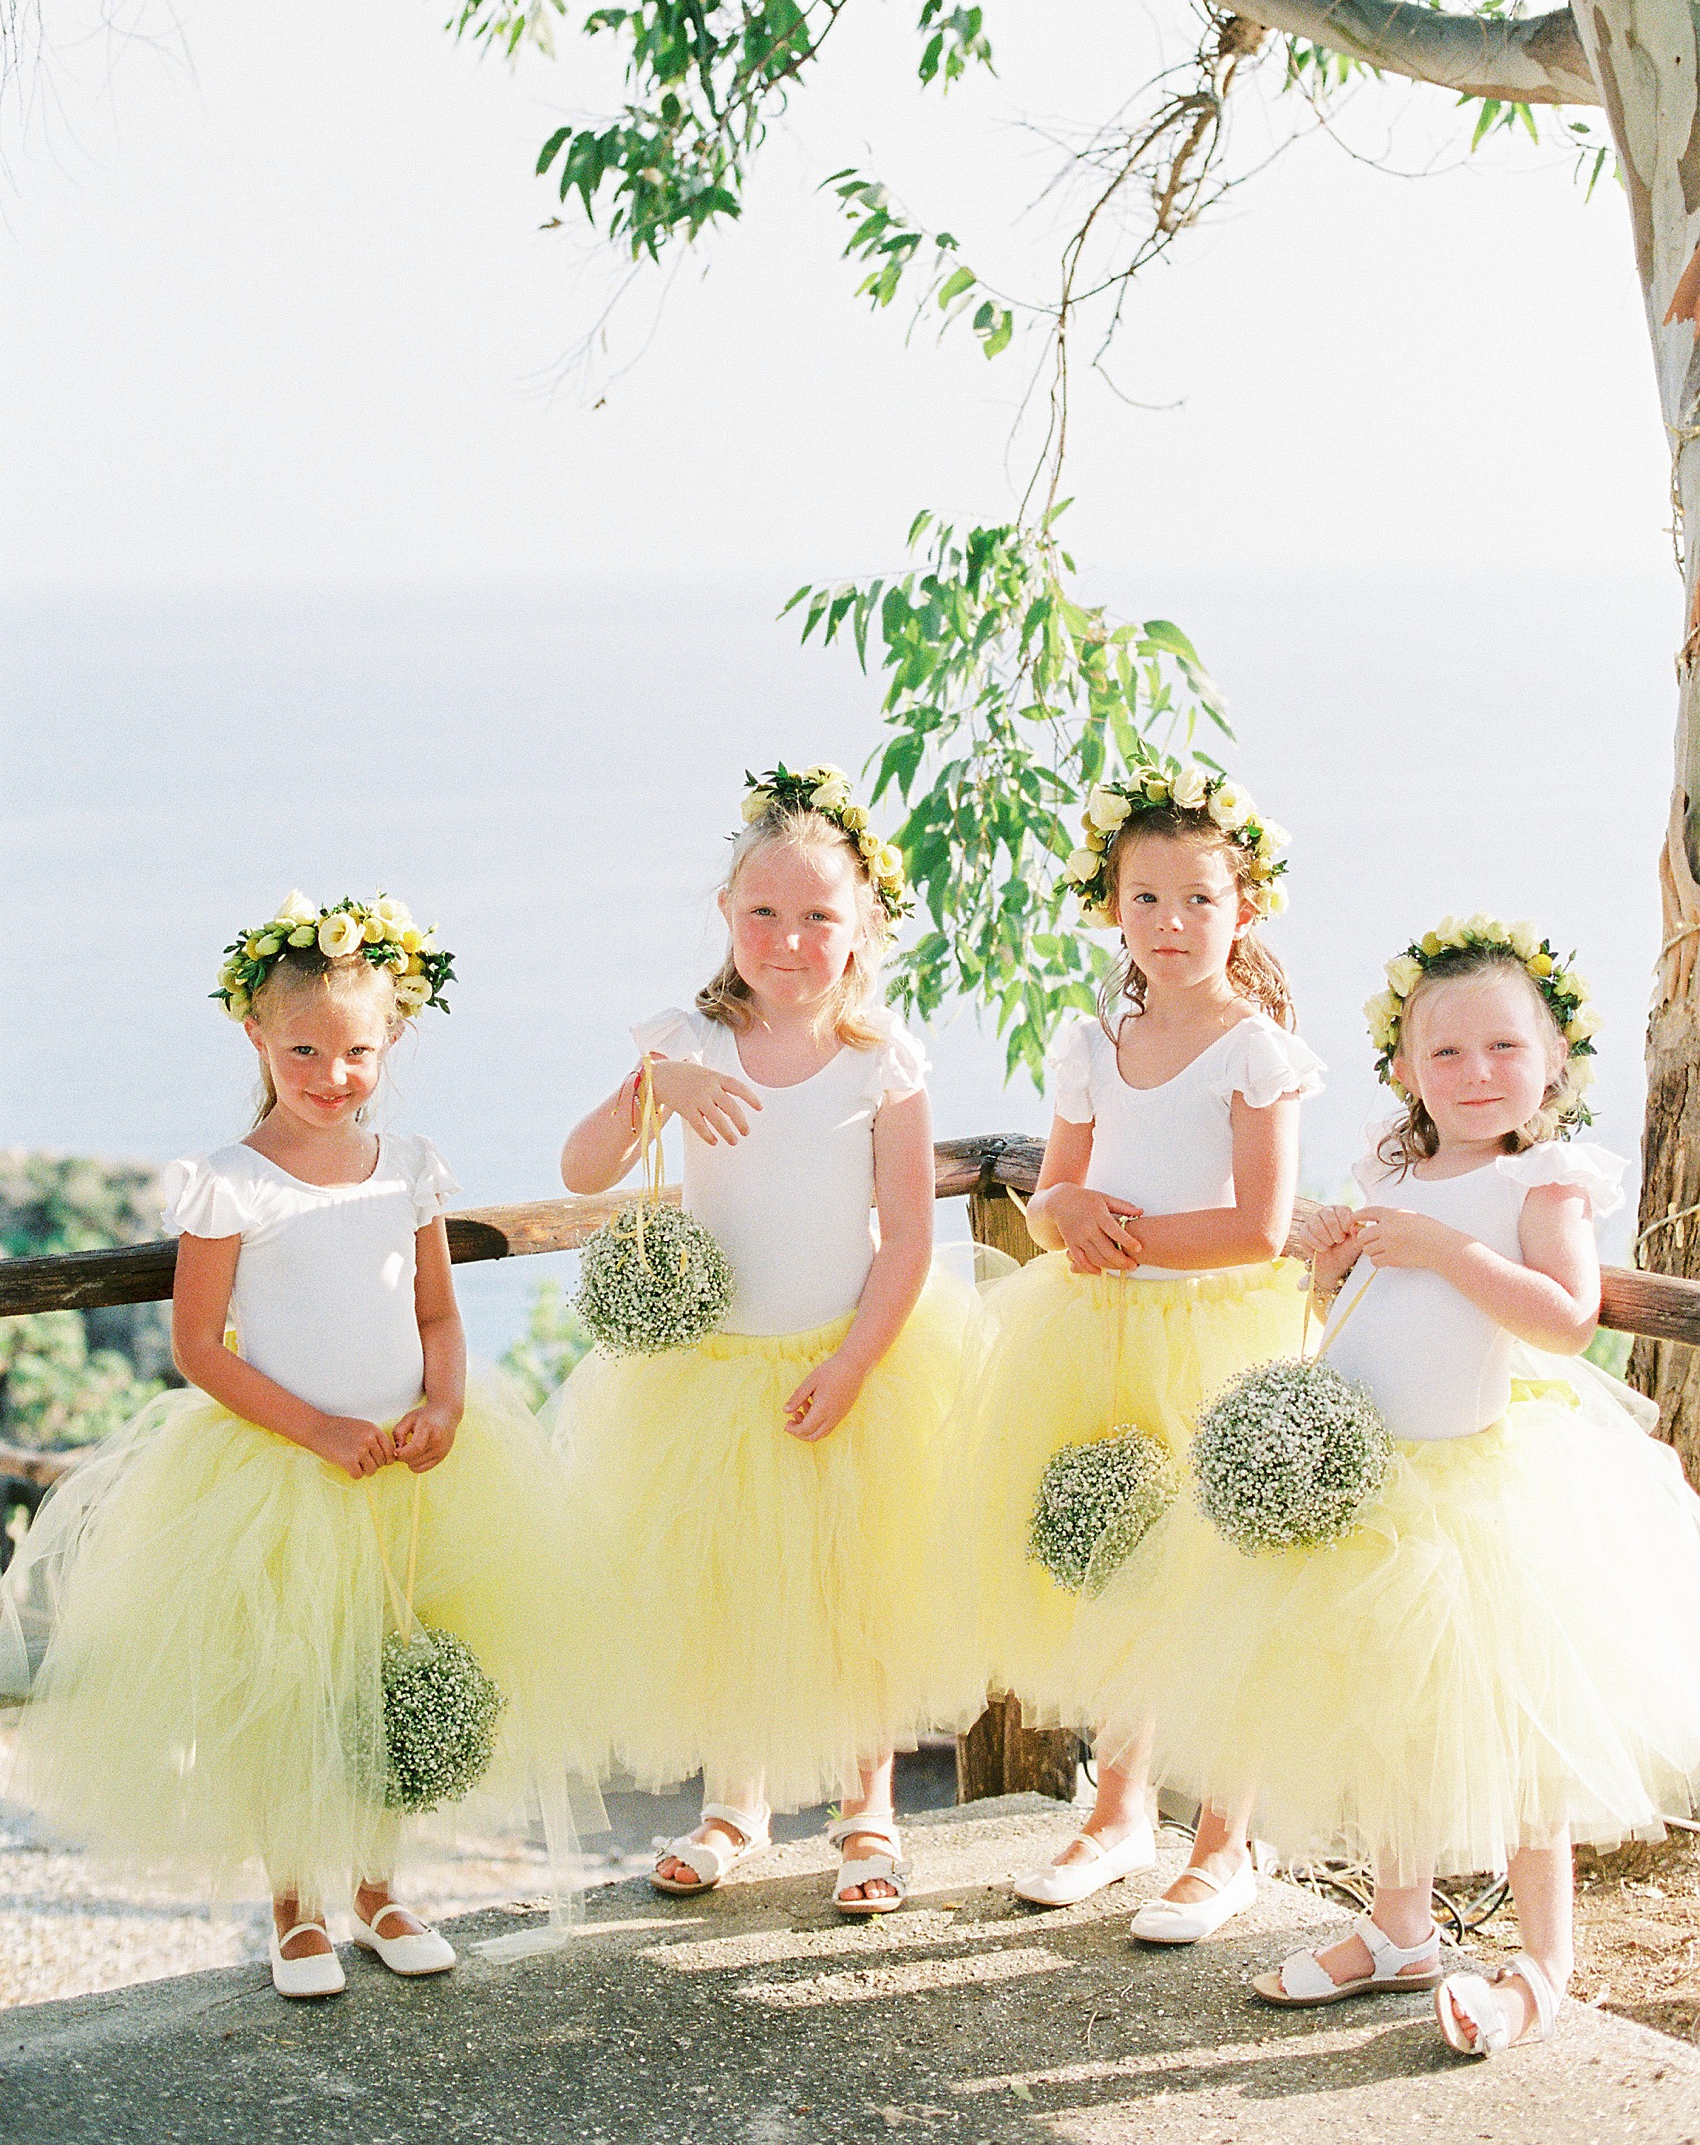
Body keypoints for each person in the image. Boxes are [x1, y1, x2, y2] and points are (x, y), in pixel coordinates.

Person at [1082, 919, 1700, 2054]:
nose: (1475, 1075)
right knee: (1387, 1720)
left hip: (1471, 1496)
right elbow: (1351, 1314)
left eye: (1503, 1049)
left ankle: (1543, 1960)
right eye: (1445, 1054)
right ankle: (1398, 1925)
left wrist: (1440, 1248)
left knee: (1511, 1732)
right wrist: (1333, 1264)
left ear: (1553, 1058)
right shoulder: (1391, 1163)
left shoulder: (1542, 1178)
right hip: (1364, 1486)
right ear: (1405, 1068)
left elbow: (1562, 1322)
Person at [2, 894, 593, 1999]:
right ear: (257, 1040)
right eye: (304, 1048)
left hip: (407, 1469)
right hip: (279, 1470)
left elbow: (436, 1315)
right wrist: (314, 1426)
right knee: (290, 1689)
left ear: (395, 1039)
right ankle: (294, 1906)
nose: (331, 1073)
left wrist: (447, 1406)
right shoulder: (232, 1178)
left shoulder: (406, 1163)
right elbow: (196, 1344)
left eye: (357, 1049)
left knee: (382, 1671)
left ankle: (377, 1883)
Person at [554, 766, 962, 1915]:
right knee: (730, 1591)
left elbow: (907, 1240)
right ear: (727, 921)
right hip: (712, 1375)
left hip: (848, 1356)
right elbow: (581, 1170)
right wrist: (655, 1086)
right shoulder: (686, 1039)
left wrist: (850, 1363)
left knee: (854, 1591)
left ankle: (867, 1805)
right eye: (763, 914)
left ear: (861, 926)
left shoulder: (882, 1059)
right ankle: (735, 1802)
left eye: (818, 916)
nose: (788, 939)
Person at [957, 765, 1319, 1939]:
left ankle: (1223, 1840)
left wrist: (1124, 1233)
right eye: (1146, 897)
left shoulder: (1254, 1050)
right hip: (1098, 1328)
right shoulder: (1094, 1036)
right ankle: (1116, 1813)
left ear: (1241, 912)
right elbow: (1055, 1179)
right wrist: (1060, 1214)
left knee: (1224, 1580)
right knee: (1120, 1561)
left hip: (1216, 1331)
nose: (1171, 923)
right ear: (1111, 905)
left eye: (1198, 900)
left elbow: (1261, 1225)